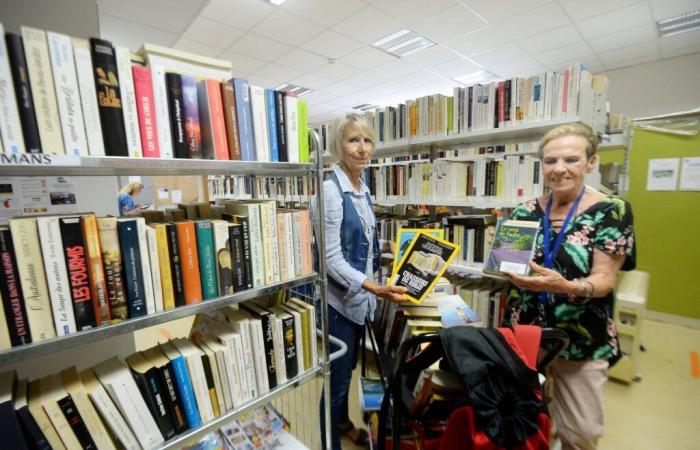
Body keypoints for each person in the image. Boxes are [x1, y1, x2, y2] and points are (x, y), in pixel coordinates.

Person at [502, 123, 636, 450]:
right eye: (550, 161)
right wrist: (505, 268)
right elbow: (506, 264)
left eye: (571, 159)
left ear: (591, 163)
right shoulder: (523, 211)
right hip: (527, 333)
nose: (559, 169)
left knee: (582, 431)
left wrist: (565, 286)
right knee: (523, 420)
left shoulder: (612, 211)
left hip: (582, 336)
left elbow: (605, 281)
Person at [312, 113, 406, 450]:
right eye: (354, 140)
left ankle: (343, 424)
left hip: (359, 302)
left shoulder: (362, 188)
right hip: (339, 304)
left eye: (367, 141)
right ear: (339, 145)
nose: (362, 148)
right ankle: (329, 444)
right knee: (337, 384)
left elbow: (361, 244)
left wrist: (391, 248)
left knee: (350, 370)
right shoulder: (330, 191)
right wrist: (375, 287)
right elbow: (331, 259)